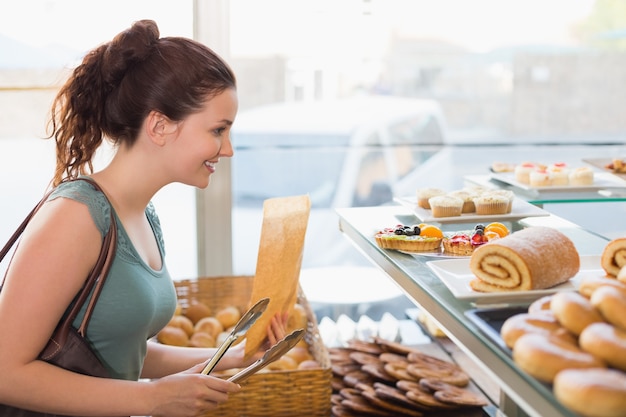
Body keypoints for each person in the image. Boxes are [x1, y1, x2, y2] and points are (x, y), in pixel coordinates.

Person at [0, 19, 287, 416]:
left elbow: (118, 348)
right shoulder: (76, 217)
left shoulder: (142, 216)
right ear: (159, 126)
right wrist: (153, 398)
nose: (228, 149)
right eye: (218, 130)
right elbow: (5, 373)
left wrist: (236, 355)